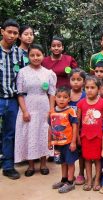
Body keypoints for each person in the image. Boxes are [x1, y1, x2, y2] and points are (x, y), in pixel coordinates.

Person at [14, 44, 56, 177]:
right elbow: (19, 93)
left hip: (43, 106)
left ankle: (43, 164)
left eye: (38, 55)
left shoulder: (48, 73)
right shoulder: (22, 72)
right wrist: (24, 111)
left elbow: (52, 93)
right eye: (32, 55)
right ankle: (31, 165)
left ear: (43, 56)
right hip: (28, 106)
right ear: (28, 56)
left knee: (43, 134)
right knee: (29, 134)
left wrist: (51, 110)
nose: (35, 57)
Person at [0, 18, 24, 179]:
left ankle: (8, 165)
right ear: (2, 31)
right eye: (9, 32)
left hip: (13, 100)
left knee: (10, 133)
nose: (12, 35)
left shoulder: (20, 54)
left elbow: (23, 77)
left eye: (15, 33)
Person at [77, 76, 103, 191]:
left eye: (92, 87)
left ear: (99, 89)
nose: (89, 90)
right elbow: (78, 122)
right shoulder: (81, 103)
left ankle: (96, 180)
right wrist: (77, 136)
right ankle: (89, 180)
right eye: (87, 87)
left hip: (99, 136)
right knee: (87, 158)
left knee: (98, 159)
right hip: (85, 136)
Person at [49, 87, 78, 193]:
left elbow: (75, 126)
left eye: (65, 97)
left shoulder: (71, 111)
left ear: (69, 99)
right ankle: (64, 179)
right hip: (57, 143)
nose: (61, 99)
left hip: (69, 143)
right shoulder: (52, 112)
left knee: (70, 162)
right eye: (59, 97)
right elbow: (50, 127)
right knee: (62, 162)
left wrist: (74, 142)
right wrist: (49, 141)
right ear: (55, 98)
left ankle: (70, 182)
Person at [68, 68, 86, 185]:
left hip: (81, 128)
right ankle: (69, 175)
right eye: (73, 79)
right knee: (68, 152)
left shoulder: (85, 95)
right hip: (67, 129)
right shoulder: (66, 94)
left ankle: (81, 173)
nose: (75, 82)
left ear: (84, 82)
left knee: (81, 153)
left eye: (78, 79)